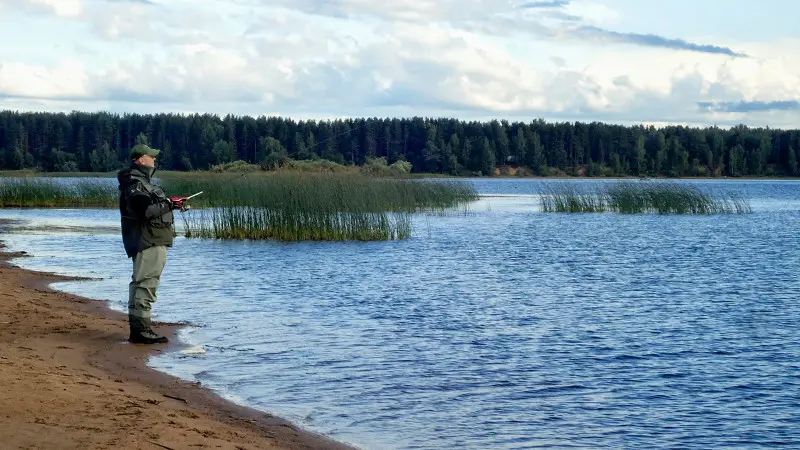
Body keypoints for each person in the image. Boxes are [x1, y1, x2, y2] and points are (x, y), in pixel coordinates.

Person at [117, 144, 185, 344]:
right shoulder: (135, 184)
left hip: (149, 240)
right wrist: (169, 204)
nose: (155, 160)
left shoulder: (138, 182)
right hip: (148, 241)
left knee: (143, 283)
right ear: (140, 160)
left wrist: (171, 204)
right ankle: (141, 332)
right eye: (151, 157)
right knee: (146, 284)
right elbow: (143, 211)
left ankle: (140, 329)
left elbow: (149, 207)